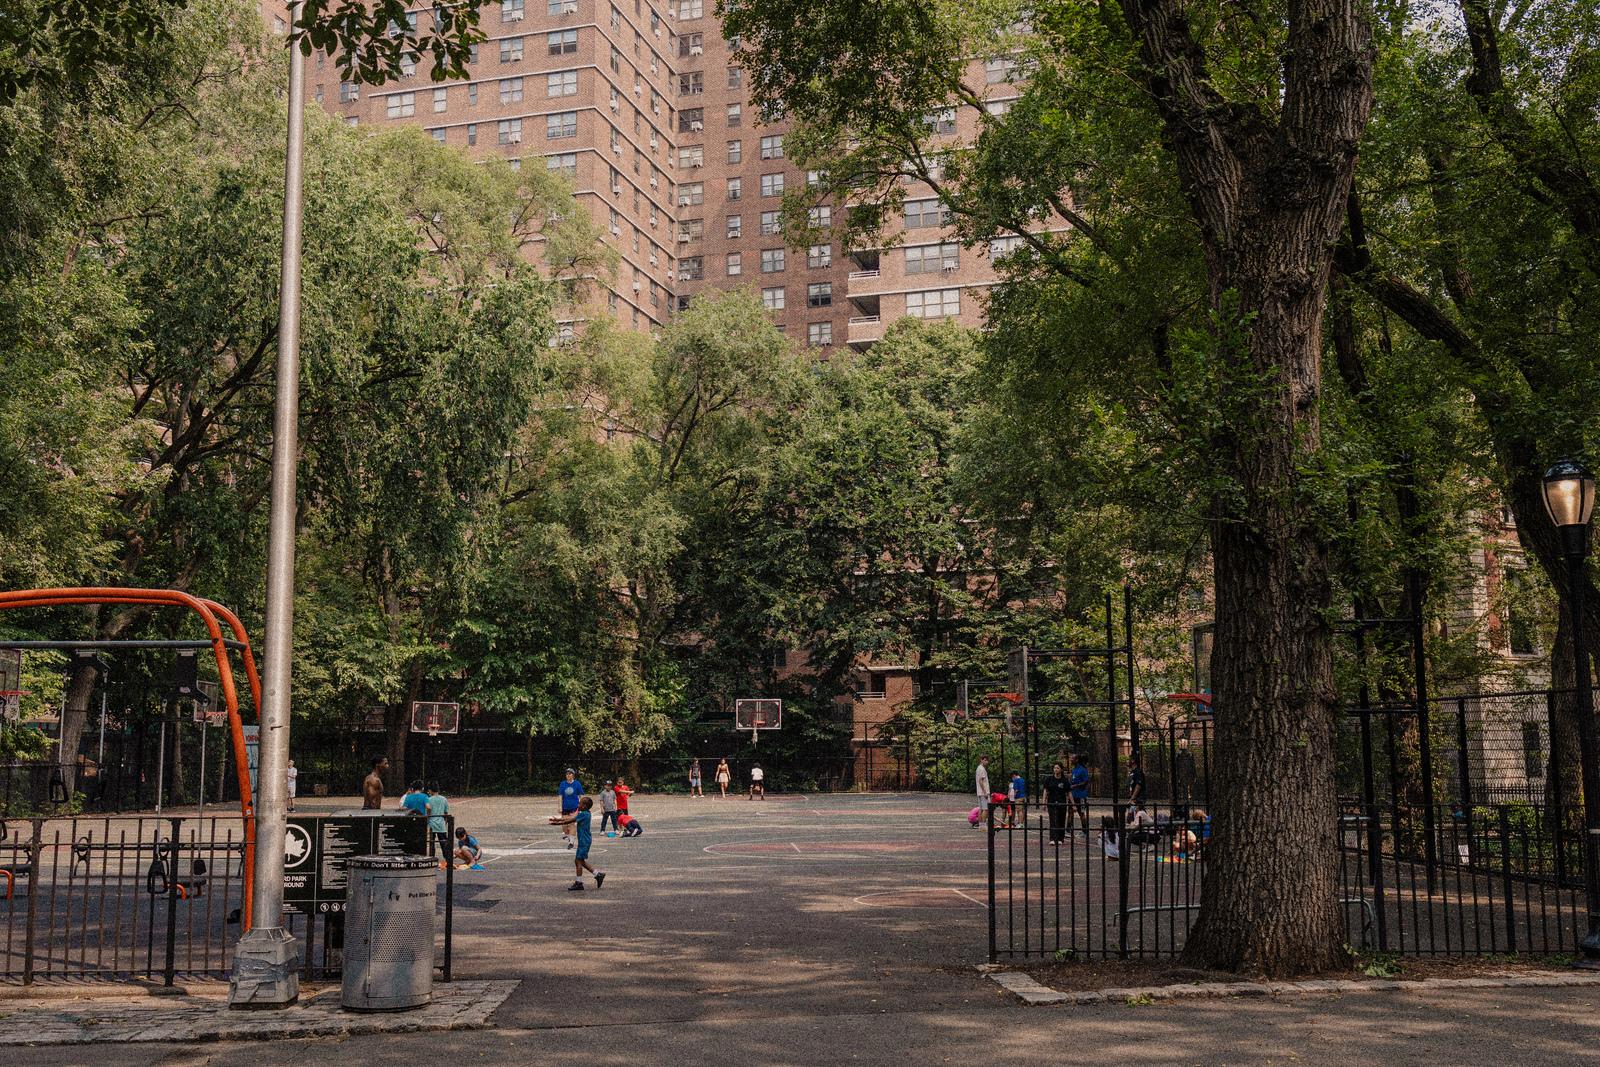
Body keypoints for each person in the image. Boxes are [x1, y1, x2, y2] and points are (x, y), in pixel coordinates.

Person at [549, 796, 605, 891]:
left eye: (580, 803)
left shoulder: (584, 814)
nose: (578, 805)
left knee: (578, 861)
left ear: (585, 806)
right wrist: (558, 820)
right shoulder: (585, 813)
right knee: (579, 861)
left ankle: (579, 883)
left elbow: (570, 820)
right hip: (584, 840)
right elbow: (571, 818)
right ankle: (597, 874)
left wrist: (556, 823)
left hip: (584, 841)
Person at [1042, 762, 1070, 844]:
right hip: (1051, 801)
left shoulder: (1064, 780)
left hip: (1062, 802)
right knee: (1053, 820)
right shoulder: (1049, 779)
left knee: (1061, 819)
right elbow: (1045, 791)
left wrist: (1073, 804)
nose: (1056, 769)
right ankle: (1053, 838)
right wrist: (1044, 802)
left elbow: (1069, 792)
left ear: (1061, 769)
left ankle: (1060, 838)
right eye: (1054, 768)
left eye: (1057, 768)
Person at [557, 768, 584, 849]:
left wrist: (582, 806)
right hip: (565, 807)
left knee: (572, 824)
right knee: (564, 825)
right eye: (567, 774)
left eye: (570, 774)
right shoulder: (563, 784)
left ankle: (571, 842)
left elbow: (581, 796)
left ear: (573, 775)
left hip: (574, 807)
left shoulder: (577, 784)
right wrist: (559, 806)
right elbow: (560, 796)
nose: (568, 775)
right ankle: (568, 836)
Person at [1068, 753, 1091, 835]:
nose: (1071, 760)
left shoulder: (1083, 770)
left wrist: (1076, 785)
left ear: (1077, 760)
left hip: (1081, 795)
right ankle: (1069, 828)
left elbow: (1086, 781)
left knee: (1081, 813)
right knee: (1070, 811)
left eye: (1072, 758)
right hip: (1073, 795)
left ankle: (1085, 830)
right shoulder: (1074, 770)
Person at [427, 782, 450, 860]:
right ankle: (447, 859)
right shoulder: (444, 799)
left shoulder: (429, 799)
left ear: (430, 790)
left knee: (432, 842)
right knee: (444, 843)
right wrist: (445, 821)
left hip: (432, 823)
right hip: (441, 823)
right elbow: (446, 812)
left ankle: (431, 858)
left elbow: (428, 811)